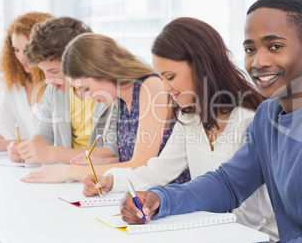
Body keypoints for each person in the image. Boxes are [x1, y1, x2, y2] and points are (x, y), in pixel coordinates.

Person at [119, 0, 302, 242]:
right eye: (250, 49)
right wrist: (161, 199)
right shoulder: (268, 114)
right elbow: (228, 184)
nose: (258, 62)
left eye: (275, 47)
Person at [82, 17, 278, 239]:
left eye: (171, 77)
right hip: (209, 229)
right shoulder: (191, 117)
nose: (166, 88)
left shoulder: (250, 119)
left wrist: (183, 215)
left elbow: (254, 215)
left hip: (253, 234)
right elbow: (160, 170)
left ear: (202, 65)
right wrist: (111, 180)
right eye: (162, 79)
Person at [21, 33, 190, 184]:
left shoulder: (151, 87)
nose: (88, 97)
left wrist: (69, 172)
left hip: (172, 196)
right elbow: (132, 159)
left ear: (102, 70)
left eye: (86, 89)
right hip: (143, 192)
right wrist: (103, 163)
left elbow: (141, 166)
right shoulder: (121, 99)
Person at [7, 17, 118, 169]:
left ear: (77, 60)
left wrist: (51, 153)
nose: (48, 80)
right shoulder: (56, 90)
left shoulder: (109, 91)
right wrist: (27, 150)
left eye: (53, 71)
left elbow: (112, 152)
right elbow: (44, 134)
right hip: (70, 177)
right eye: (43, 71)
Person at [0, 12, 53, 155]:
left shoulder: (57, 84)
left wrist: (5, 144)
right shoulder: (13, 83)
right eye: (16, 50)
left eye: (26, 49)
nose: (21, 57)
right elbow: (5, 128)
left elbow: (54, 141)